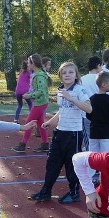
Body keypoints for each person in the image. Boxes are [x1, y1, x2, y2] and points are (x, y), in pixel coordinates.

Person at [30, 62, 92, 204]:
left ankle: (74, 193)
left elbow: (89, 109)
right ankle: (46, 191)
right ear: (60, 76)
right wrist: (50, 122)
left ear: (76, 75)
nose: (67, 75)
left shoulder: (79, 90)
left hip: (74, 134)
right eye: (64, 73)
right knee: (52, 163)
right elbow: (62, 110)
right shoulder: (61, 91)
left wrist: (71, 98)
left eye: (71, 72)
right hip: (60, 133)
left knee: (71, 166)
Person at [11, 54, 50, 153]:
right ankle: (45, 144)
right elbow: (37, 89)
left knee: (28, 123)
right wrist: (29, 93)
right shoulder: (38, 74)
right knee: (41, 123)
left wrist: (29, 96)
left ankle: (22, 144)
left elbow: (40, 91)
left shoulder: (39, 76)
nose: (27, 64)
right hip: (40, 102)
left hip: (39, 103)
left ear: (33, 64)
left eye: (29, 62)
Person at [87, 71, 109, 154]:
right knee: (106, 157)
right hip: (106, 132)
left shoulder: (92, 98)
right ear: (104, 85)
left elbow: (88, 114)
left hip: (94, 131)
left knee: (93, 156)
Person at [80, 56, 103, 150]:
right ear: (98, 65)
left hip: (86, 113)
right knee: (100, 138)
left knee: (88, 139)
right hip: (100, 113)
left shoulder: (82, 79)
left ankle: (90, 159)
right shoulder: (102, 79)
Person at [14, 59, 33, 123]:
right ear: (27, 66)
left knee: (20, 105)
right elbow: (32, 78)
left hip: (18, 91)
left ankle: (16, 119)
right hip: (25, 91)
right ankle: (31, 118)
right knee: (30, 104)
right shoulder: (29, 72)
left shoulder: (21, 72)